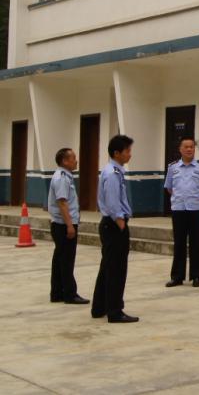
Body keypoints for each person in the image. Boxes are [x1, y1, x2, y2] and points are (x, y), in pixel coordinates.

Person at [91, 135, 139, 324]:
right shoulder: (112, 174)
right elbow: (112, 203)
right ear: (117, 153)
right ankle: (115, 311)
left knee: (107, 267)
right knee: (116, 270)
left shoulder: (114, 171)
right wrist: (121, 224)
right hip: (114, 225)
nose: (130, 154)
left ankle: (99, 307)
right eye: (127, 151)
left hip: (111, 224)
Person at [164, 137, 199, 288]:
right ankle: (177, 277)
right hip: (179, 209)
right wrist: (180, 198)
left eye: (191, 147)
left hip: (196, 209)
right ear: (180, 149)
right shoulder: (172, 167)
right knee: (179, 243)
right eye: (186, 147)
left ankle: (196, 276)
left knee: (196, 243)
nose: (189, 149)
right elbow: (169, 188)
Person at [48, 148, 89, 305]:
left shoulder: (64, 176)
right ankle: (70, 294)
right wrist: (70, 225)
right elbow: (62, 202)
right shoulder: (62, 178)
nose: (76, 161)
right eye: (73, 158)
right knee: (66, 260)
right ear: (65, 161)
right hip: (63, 225)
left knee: (59, 259)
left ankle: (57, 292)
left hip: (61, 224)